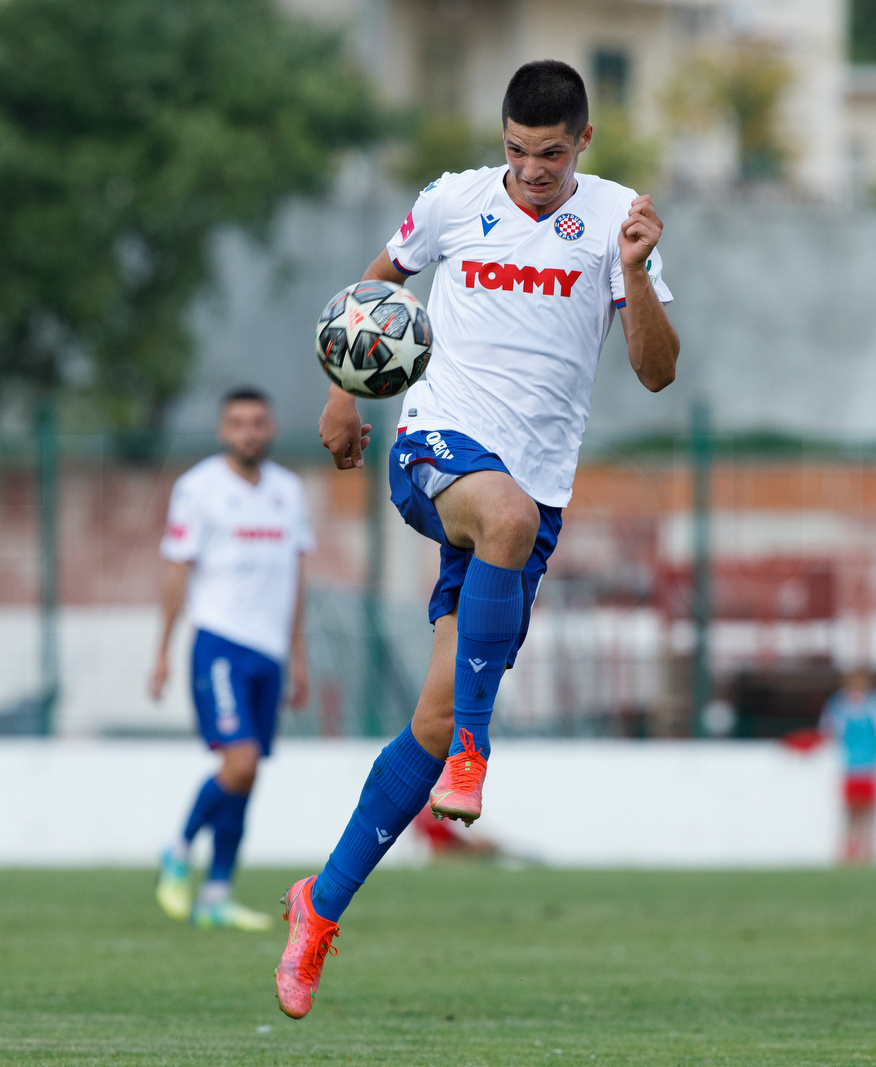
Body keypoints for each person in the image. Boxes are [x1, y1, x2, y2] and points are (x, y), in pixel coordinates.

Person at [272, 59, 679, 1018]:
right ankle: (476, 752)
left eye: (548, 154)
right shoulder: (451, 204)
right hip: (437, 448)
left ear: (584, 141)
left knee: (427, 714)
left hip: (531, 497)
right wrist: (341, 392)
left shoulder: (620, 222)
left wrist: (632, 271)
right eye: (515, 151)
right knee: (502, 521)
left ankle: (318, 908)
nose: (530, 170)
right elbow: (374, 287)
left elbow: (657, 373)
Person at [148, 388, 313, 930]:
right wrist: (163, 654)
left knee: (246, 774)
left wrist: (299, 656)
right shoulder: (197, 489)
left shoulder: (289, 491)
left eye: (258, 422)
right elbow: (178, 574)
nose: (249, 432)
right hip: (219, 642)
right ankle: (177, 848)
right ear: (223, 430)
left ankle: (216, 894)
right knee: (238, 762)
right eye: (238, 423)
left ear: (271, 428)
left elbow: (296, 581)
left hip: (269, 652)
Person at [819, 668, 876, 864]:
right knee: (850, 811)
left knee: (867, 812)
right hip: (850, 767)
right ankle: (849, 851)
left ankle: (866, 851)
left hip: (871, 766)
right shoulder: (840, 704)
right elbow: (828, 729)